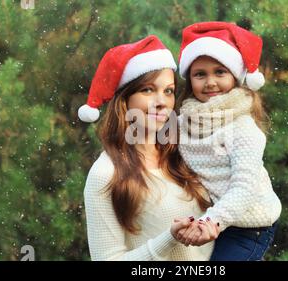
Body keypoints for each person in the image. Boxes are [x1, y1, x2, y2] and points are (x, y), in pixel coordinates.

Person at [79, 35, 217, 261]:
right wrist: (169, 239)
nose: (162, 101)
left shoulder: (184, 153)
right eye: (148, 90)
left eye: (168, 91)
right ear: (125, 100)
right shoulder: (105, 173)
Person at [175, 22, 282, 261]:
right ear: (189, 79)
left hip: (249, 225)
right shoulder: (184, 121)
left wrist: (211, 220)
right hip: (212, 220)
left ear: (235, 76)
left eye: (220, 72)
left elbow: (244, 188)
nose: (210, 82)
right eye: (200, 74)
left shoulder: (242, 127)